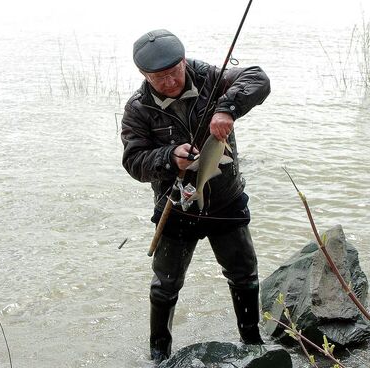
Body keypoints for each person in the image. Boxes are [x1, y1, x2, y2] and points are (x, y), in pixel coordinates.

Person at [120, 29, 271, 363]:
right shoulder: (138, 109)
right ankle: (159, 354)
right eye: (160, 77)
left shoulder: (210, 77)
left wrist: (228, 108)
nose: (171, 80)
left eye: (176, 70)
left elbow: (258, 78)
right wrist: (169, 157)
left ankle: (252, 343)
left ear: (184, 61)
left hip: (226, 199)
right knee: (165, 286)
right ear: (145, 75)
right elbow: (133, 162)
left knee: (244, 274)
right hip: (176, 205)